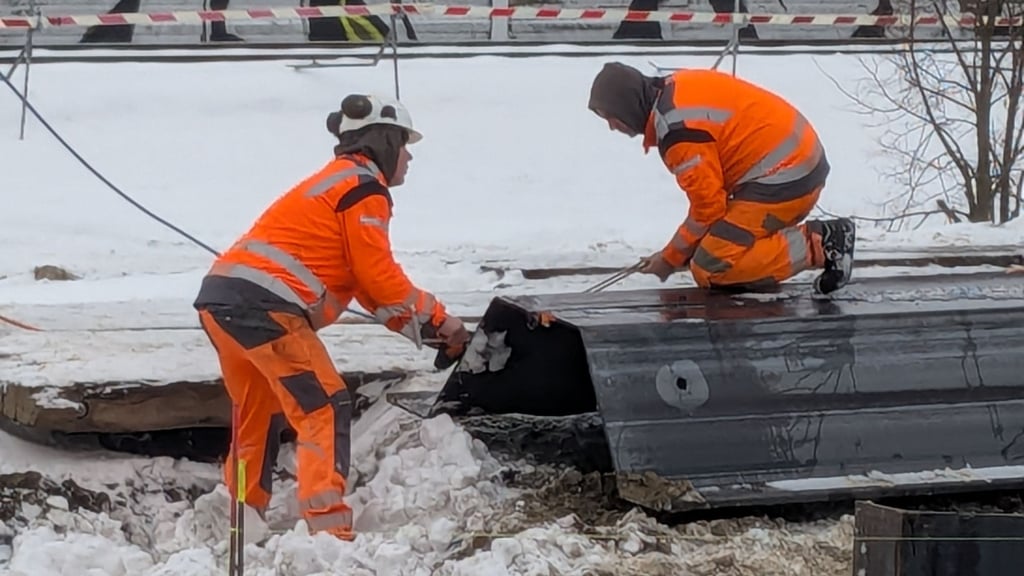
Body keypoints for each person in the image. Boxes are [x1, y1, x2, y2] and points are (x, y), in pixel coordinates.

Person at [192, 93, 470, 540]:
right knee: (324, 403)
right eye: (404, 142)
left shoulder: (331, 183)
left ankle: (243, 515)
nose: (410, 155)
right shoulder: (363, 189)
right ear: (384, 142)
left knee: (256, 414)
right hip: (266, 308)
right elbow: (379, 277)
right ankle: (327, 530)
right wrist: (442, 318)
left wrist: (434, 331)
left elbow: (367, 291)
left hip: (221, 301)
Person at [588, 62, 856, 294]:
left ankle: (822, 242)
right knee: (714, 244)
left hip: (785, 178)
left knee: (711, 266)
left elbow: (708, 209)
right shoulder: (675, 87)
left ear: (627, 106)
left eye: (612, 118)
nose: (612, 127)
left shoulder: (677, 133)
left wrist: (670, 259)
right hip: (793, 162)